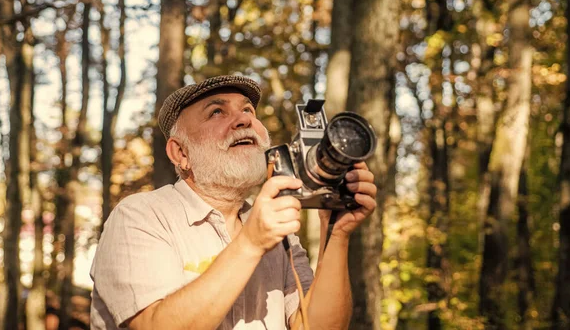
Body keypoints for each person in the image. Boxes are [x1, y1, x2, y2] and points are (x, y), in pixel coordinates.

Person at [90, 75, 377, 329]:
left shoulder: (280, 235)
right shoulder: (140, 216)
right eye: (216, 112)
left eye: (248, 110)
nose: (244, 120)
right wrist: (250, 244)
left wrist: (336, 234)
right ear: (180, 153)